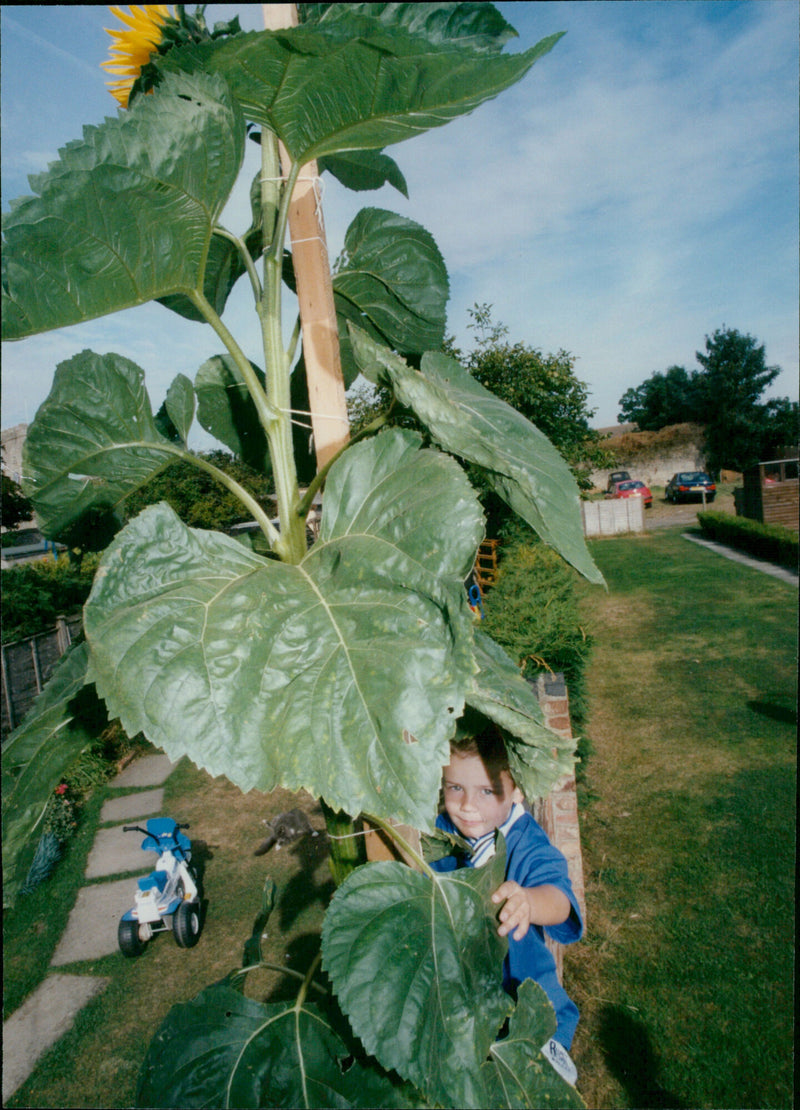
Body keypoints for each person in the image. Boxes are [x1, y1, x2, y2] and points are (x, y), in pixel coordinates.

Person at [429, 719, 583, 1066]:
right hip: (466, 1006)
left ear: (516, 791)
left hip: (531, 1011)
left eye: (487, 791)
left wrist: (529, 901)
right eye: (455, 788)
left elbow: (559, 900)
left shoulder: (526, 842)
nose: (467, 805)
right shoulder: (438, 836)